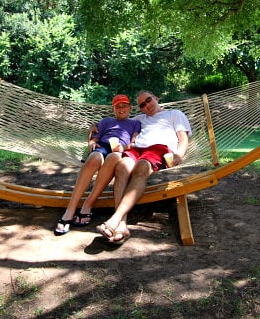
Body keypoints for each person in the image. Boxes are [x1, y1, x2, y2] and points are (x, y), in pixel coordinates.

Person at [95, 90, 192, 244]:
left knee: (141, 168)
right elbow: (119, 121)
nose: (146, 105)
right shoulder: (139, 119)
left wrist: (179, 154)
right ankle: (121, 225)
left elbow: (183, 137)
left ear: (156, 98)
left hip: (159, 149)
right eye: (142, 105)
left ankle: (115, 219)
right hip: (136, 149)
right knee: (121, 167)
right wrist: (96, 128)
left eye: (148, 100)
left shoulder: (174, 113)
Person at [54, 94, 141, 235]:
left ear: (130, 107)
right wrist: (91, 143)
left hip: (120, 149)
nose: (121, 108)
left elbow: (134, 142)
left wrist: (123, 148)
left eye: (124, 105)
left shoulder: (135, 123)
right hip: (103, 146)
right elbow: (94, 138)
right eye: (117, 106)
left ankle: (88, 204)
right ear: (113, 109)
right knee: (94, 157)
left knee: (114, 157)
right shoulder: (106, 121)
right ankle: (70, 210)